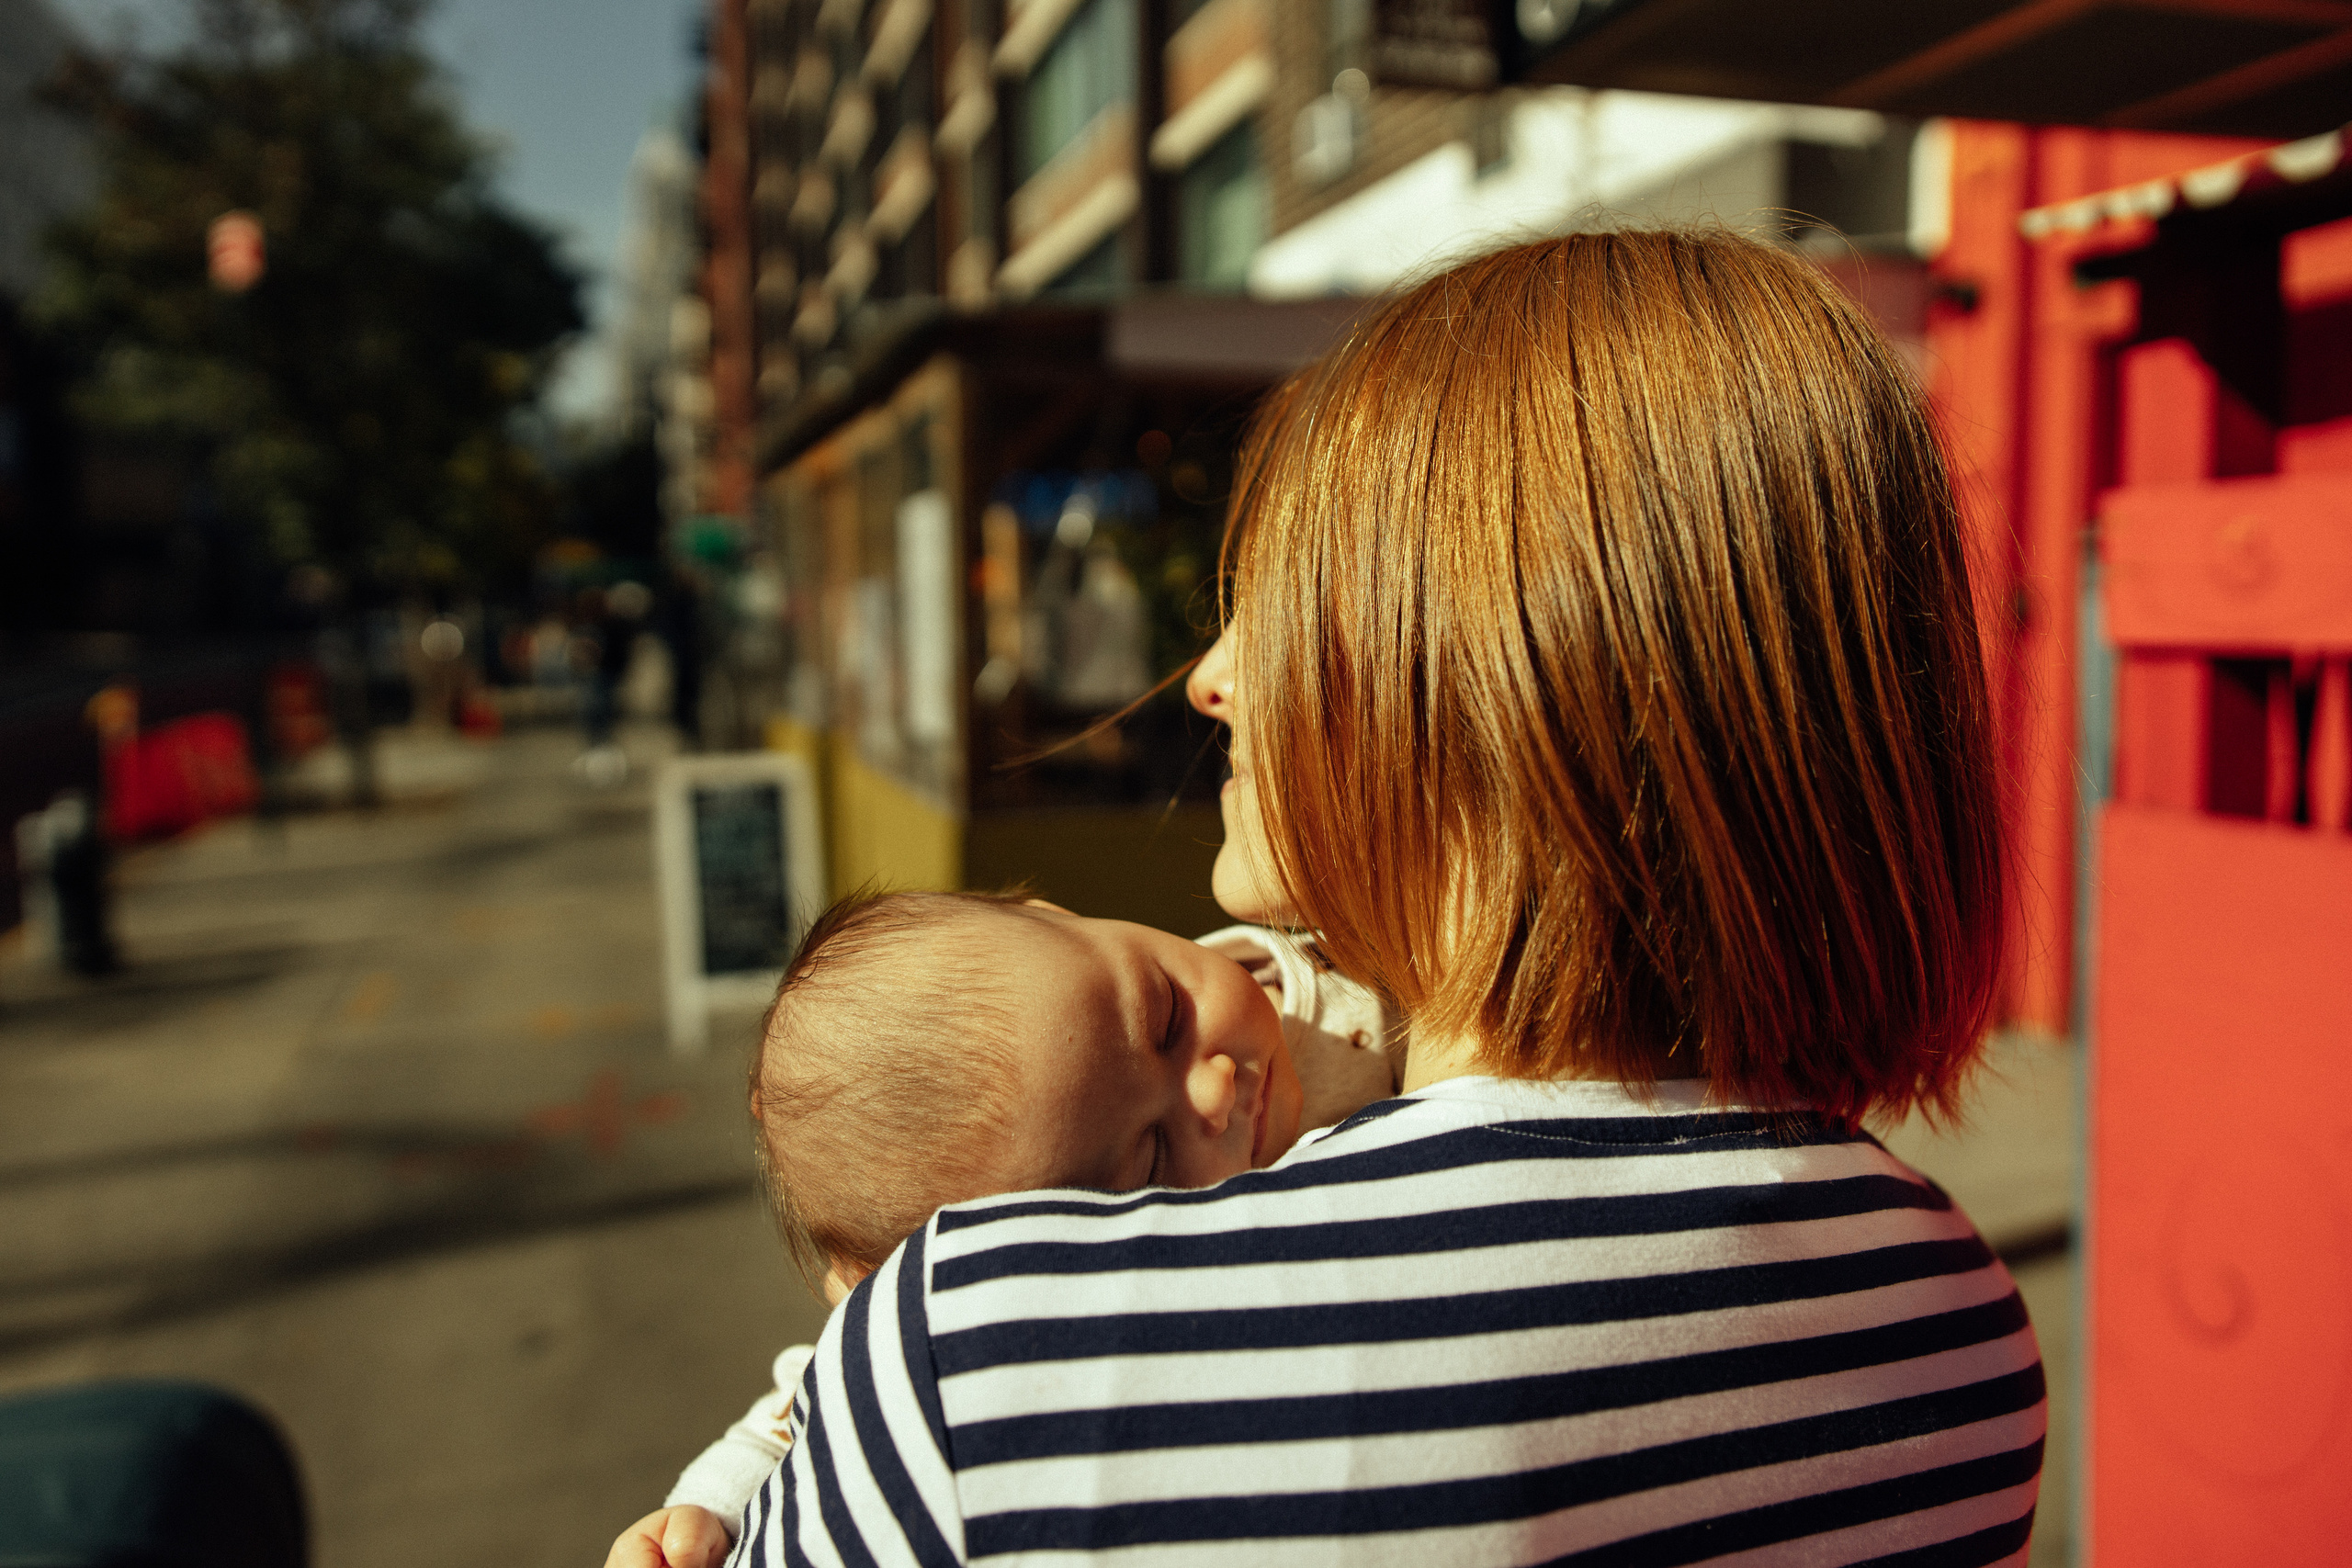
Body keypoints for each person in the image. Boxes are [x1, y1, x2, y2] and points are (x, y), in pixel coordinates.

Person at [731, 228, 2039, 1564]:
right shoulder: (1961, 1327)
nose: (1211, 677)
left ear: (1489, 671)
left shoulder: (980, 1369)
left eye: (1277, 601)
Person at [605, 895, 1401, 1568]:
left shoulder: (1345, 947)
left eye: (1166, 1015)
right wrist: (711, 1506)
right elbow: (801, 1404)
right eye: (1154, 1158)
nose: (1215, 1087)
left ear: (1053, 911)